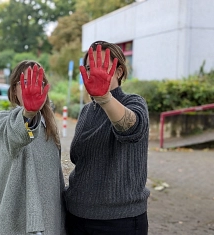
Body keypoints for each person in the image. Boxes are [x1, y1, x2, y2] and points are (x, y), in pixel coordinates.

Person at [64, 41, 150, 234]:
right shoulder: (86, 111)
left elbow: (131, 128)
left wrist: (105, 98)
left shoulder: (134, 102)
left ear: (119, 72)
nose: (93, 73)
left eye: (101, 67)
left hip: (119, 221)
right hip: (77, 215)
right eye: (89, 68)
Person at [0, 61, 66, 234]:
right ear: (13, 89)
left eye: (37, 82)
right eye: (24, 82)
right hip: (16, 225)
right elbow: (16, 136)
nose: (30, 88)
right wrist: (29, 113)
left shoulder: (49, 128)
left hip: (49, 226)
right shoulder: (2, 122)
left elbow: (57, 182)